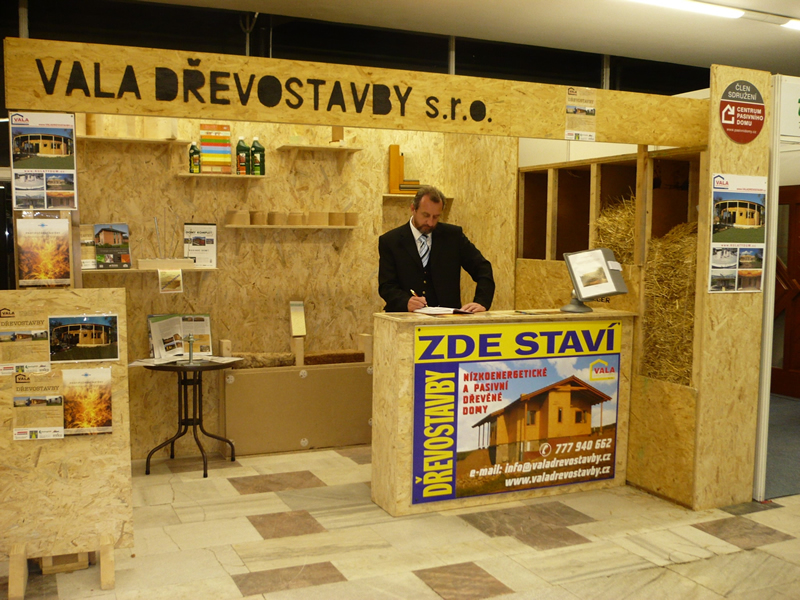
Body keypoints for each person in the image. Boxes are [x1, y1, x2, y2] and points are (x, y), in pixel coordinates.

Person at [378, 185, 495, 313]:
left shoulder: (453, 236)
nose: (430, 222)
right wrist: (405, 302)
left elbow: (482, 268)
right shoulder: (390, 241)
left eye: (436, 217)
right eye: (426, 215)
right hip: (404, 318)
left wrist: (482, 301)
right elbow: (386, 286)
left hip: (447, 319)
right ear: (413, 209)